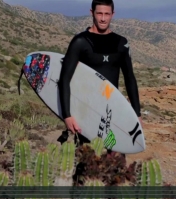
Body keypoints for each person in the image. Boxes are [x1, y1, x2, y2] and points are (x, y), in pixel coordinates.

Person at [57, 0, 142, 157]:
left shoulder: (121, 43)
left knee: (115, 160)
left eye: (107, 14)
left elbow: (130, 78)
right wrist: (67, 115)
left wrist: (136, 113)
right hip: (86, 111)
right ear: (92, 13)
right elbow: (64, 79)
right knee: (87, 160)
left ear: (112, 15)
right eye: (99, 13)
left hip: (112, 112)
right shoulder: (80, 42)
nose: (103, 18)